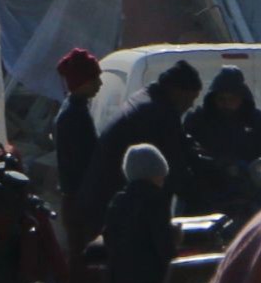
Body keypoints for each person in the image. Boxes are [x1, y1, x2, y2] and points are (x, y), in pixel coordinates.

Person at [70, 58, 202, 243]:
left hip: (99, 201)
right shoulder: (159, 113)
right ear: (177, 91)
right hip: (110, 207)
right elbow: (174, 171)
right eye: (190, 99)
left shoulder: (146, 98)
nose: (190, 106)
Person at [83, 141, 178, 283]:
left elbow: (109, 237)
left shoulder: (119, 201)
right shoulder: (156, 202)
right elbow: (164, 246)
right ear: (155, 174)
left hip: (121, 281)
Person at [185, 66, 261, 223]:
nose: (226, 103)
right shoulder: (198, 120)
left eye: (232, 98)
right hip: (208, 197)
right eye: (221, 99)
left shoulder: (257, 121)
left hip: (250, 196)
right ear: (213, 98)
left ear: (242, 98)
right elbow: (185, 153)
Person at [51, 50, 106, 209]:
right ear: (83, 82)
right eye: (95, 79)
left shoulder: (74, 108)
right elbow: (83, 161)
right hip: (79, 199)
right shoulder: (75, 115)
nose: (100, 84)